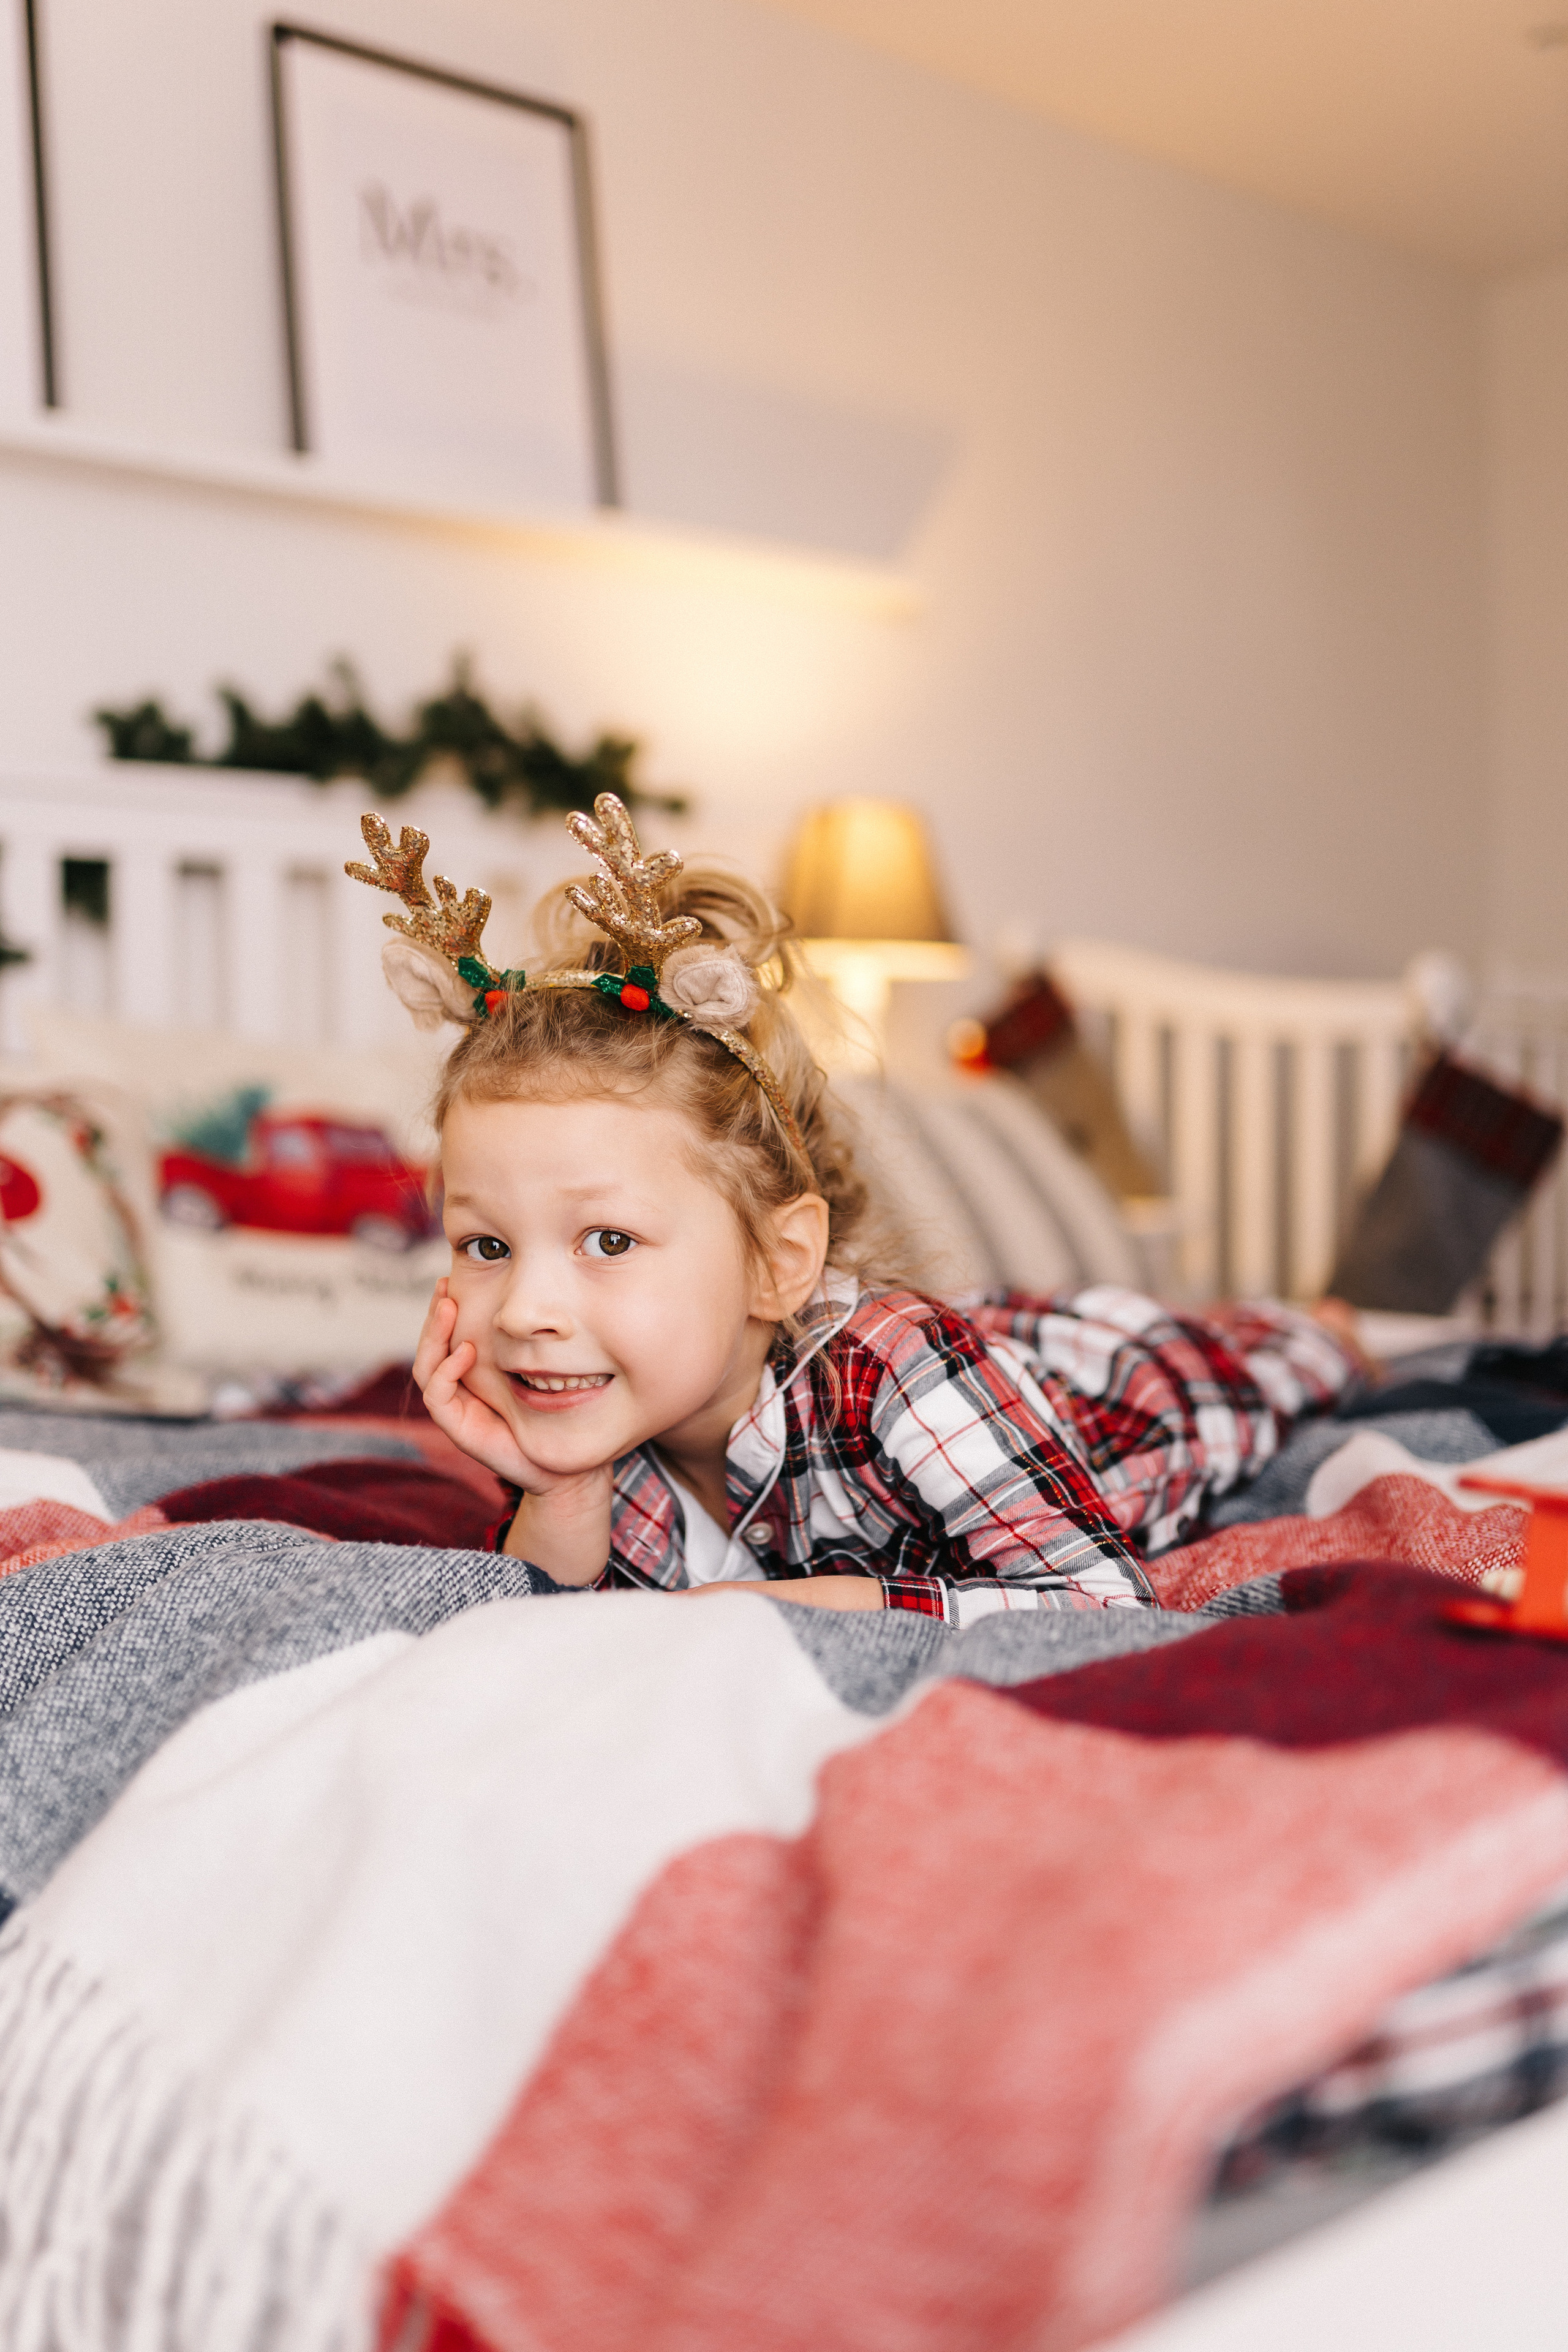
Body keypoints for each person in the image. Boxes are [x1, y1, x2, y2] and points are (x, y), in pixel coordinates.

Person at [347, 797, 1357, 1624]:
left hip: (1116, 1377)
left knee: (1270, 1354)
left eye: (607, 1239)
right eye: (486, 1244)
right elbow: (554, 1627)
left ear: (777, 1262)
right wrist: (558, 1488)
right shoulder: (606, 1411)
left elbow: (1101, 1600)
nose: (526, 1309)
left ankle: (1327, 1326)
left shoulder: (897, 1373)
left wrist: (825, 1602)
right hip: (979, 1350)